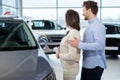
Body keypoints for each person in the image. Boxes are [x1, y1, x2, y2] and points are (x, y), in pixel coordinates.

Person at [68, 1, 107, 80]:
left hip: (95, 66)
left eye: (83, 10)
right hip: (87, 64)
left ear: (89, 10)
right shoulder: (90, 26)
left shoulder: (98, 26)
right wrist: (80, 42)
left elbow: (99, 45)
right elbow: (90, 43)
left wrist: (79, 44)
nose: (82, 13)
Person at [56, 9, 81, 80]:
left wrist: (59, 55)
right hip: (68, 68)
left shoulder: (73, 33)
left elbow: (72, 56)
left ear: (69, 19)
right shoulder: (71, 32)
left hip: (70, 69)